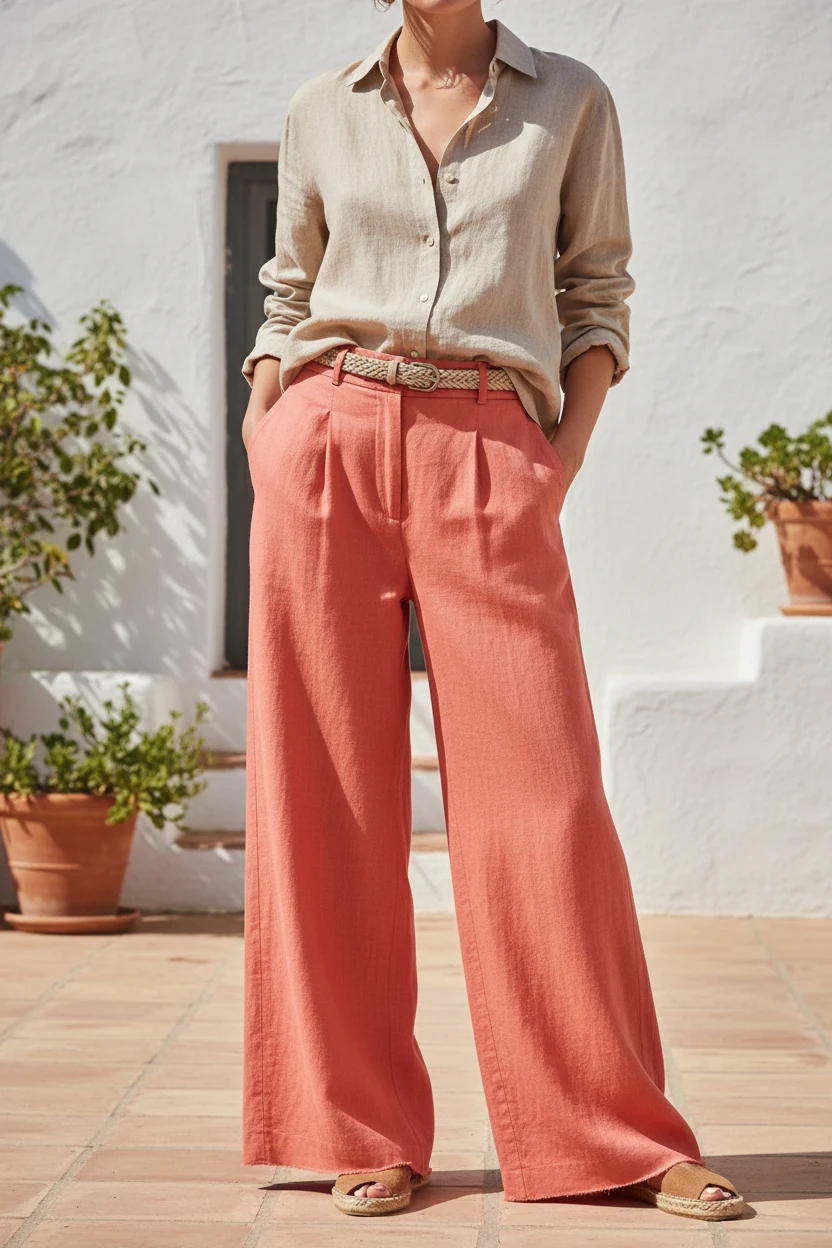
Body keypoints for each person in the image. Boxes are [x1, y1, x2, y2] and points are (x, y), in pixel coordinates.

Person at [239, 0, 745, 1223]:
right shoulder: (321, 109)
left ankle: (611, 1132)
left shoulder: (569, 99)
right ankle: (356, 1125)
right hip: (326, 438)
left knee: (546, 794)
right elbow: (286, 293)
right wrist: (269, 429)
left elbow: (594, 293)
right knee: (327, 795)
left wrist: (550, 464)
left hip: (488, 439)